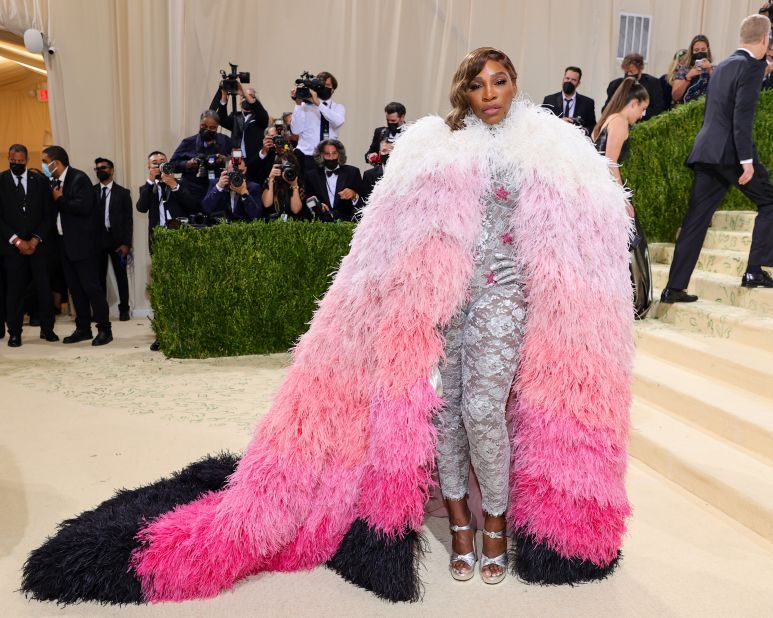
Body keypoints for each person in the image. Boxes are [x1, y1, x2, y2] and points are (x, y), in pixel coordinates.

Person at [23, 48, 634, 604]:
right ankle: (462, 523)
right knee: (443, 412)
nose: (492, 92)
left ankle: (496, 520)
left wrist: (610, 198)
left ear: (515, 84)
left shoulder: (552, 144)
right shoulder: (432, 145)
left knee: (481, 407)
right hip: (442, 303)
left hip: (505, 298)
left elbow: (583, 222)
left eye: (501, 81)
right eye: (479, 85)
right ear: (464, 94)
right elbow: (384, 232)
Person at [662, 14, 773, 302]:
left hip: (706, 152)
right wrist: (746, 160)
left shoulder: (722, 66)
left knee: (695, 221)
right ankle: (754, 271)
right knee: (770, 201)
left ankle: (674, 288)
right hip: (732, 154)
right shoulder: (752, 65)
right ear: (765, 38)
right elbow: (742, 115)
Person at [592, 78, 653, 318]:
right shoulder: (619, 123)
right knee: (632, 246)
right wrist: (623, 200)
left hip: (598, 193)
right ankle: (631, 305)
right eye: (642, 109)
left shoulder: (606, 120)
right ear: (633, 103)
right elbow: (610, 164)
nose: (642, 115)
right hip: (608, 195)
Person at [42, 146, 112, 346]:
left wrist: (60, 199)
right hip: (64, 244)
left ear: (56, 162)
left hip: (83, 245)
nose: (44, 166)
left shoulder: (78, 178)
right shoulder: (53, 182)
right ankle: (83, 329)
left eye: (45, 162)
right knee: (75, 289)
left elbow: (84, 207)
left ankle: (105, 329)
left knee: (92, 288)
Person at [136, 151, 197, 351]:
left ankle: (185, 332)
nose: (160, 165)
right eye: (155, 163)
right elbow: (141, 207)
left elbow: (193, 206)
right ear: (149, 167)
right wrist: (150, 182)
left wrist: (174, 185)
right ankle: (163, 333)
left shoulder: (180, 183)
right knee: (162, 291)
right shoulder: (147, 187)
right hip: (159, 242)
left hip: (180, 240)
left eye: (163, 162)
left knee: (183, 288)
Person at [0, 144, 57, 346]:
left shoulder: (40, 181)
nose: (15, 164)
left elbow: (49, 215)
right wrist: (17, 240)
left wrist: (35, 239)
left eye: (19, 161)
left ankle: (47, 329)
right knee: (14, 291)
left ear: (26, 161)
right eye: (12, 161)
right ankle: (15, 332)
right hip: (12, 248)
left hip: (38, 246)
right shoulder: (1, 180)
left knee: (43, 288)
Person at [93, 157, 133, 322]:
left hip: (117, 240)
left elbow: (128, 219)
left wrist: (127, 243)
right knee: (98, 277)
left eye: (103, 167)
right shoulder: (91, 191)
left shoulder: (123, 193)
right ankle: (101, 312)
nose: (100, 170)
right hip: (97, 240)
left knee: (121, 276)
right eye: (97, 169)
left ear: (112, 169)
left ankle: (124, 309)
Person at [210, 80, 269, 182]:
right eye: (243, 97)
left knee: (253, 186)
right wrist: (224, 96)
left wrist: (244, 93)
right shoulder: (236, 116)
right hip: (237, 159)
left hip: (254, 159)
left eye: (250, 96)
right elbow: (222, 119)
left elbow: (261, 112)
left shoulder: (260, 117)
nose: (245, 99)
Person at [170, 110, 231, 207]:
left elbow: (237, 162)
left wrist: (224, 160)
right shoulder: (188, 142)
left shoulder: (225, 141)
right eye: (204, 126)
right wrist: (187, 164)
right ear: (199, 124)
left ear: (217, 127)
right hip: (192, 191)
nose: (207, 130)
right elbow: (172, 165)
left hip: (217, 190)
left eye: (212, 128)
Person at [290, 71, 345, 173]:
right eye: (321, 85)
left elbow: (338, 122)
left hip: (328, 157)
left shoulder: (338, 107)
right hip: (306, 156)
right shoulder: (304, 106)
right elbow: (295, 130)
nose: (324, 87)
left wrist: (318, 104)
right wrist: (297, 105)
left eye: (328, 85)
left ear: (333, 89)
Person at [303, 139, 363, 222]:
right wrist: (316, 206)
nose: (331, 158)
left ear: (339, 154)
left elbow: (364, 203)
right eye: (327, 154)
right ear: (321, 155)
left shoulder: (353, 172)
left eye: (334, 153)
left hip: (347, 224)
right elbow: (306, 203)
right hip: (320, 224)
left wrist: (354, 196)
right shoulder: (311, 176)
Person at [603, 53, 664, 119]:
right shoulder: (615, 84)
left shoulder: (652, 83)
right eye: (626, 72)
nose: (628, 74)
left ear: (640, 69)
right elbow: (606, 109)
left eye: (631, 72)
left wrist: (638, 111)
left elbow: (658, 110)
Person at [541, 66, 596, 136]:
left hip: (577, 142)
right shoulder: (549, 100)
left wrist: (582, 131)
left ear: (578, 83)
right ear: (563, 79)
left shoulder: (588, 103)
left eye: (573, 80)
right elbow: (542, 122)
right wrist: (558, 122)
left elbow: (592, 126)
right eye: (567, 78)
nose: (569, 81)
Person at [260, 148, 304, 221]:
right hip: (272, 222)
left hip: (292, 223)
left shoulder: (298, 183)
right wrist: (271, 179)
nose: (286, 170)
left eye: (289, 167)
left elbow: (296, 210)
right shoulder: (271, 181)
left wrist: (294, 185)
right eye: (283, 167)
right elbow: (266, 204)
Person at [671, 35, 715, 104]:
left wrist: (710, 70)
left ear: (708, 49)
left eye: (703, 50)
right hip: (688, 110)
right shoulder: (683, 70)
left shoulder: (715, 69)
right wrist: (688, 77)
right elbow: (675, 96)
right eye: (696, 50)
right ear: (692, 51)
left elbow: (721, 91)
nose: (700, 52)